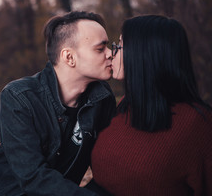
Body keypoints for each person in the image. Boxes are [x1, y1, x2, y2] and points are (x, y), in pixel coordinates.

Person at [0, 11, 116, 196]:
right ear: (69, 57)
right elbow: (33, 177)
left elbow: (110, 166)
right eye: (100, 49)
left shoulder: (101, 99)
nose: (111, 54)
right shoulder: (19, 97)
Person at [90, 15, 212, 196]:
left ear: (143, 54)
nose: (112, 53)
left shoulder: (198, 124)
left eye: (120, 45)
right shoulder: (125, 106)